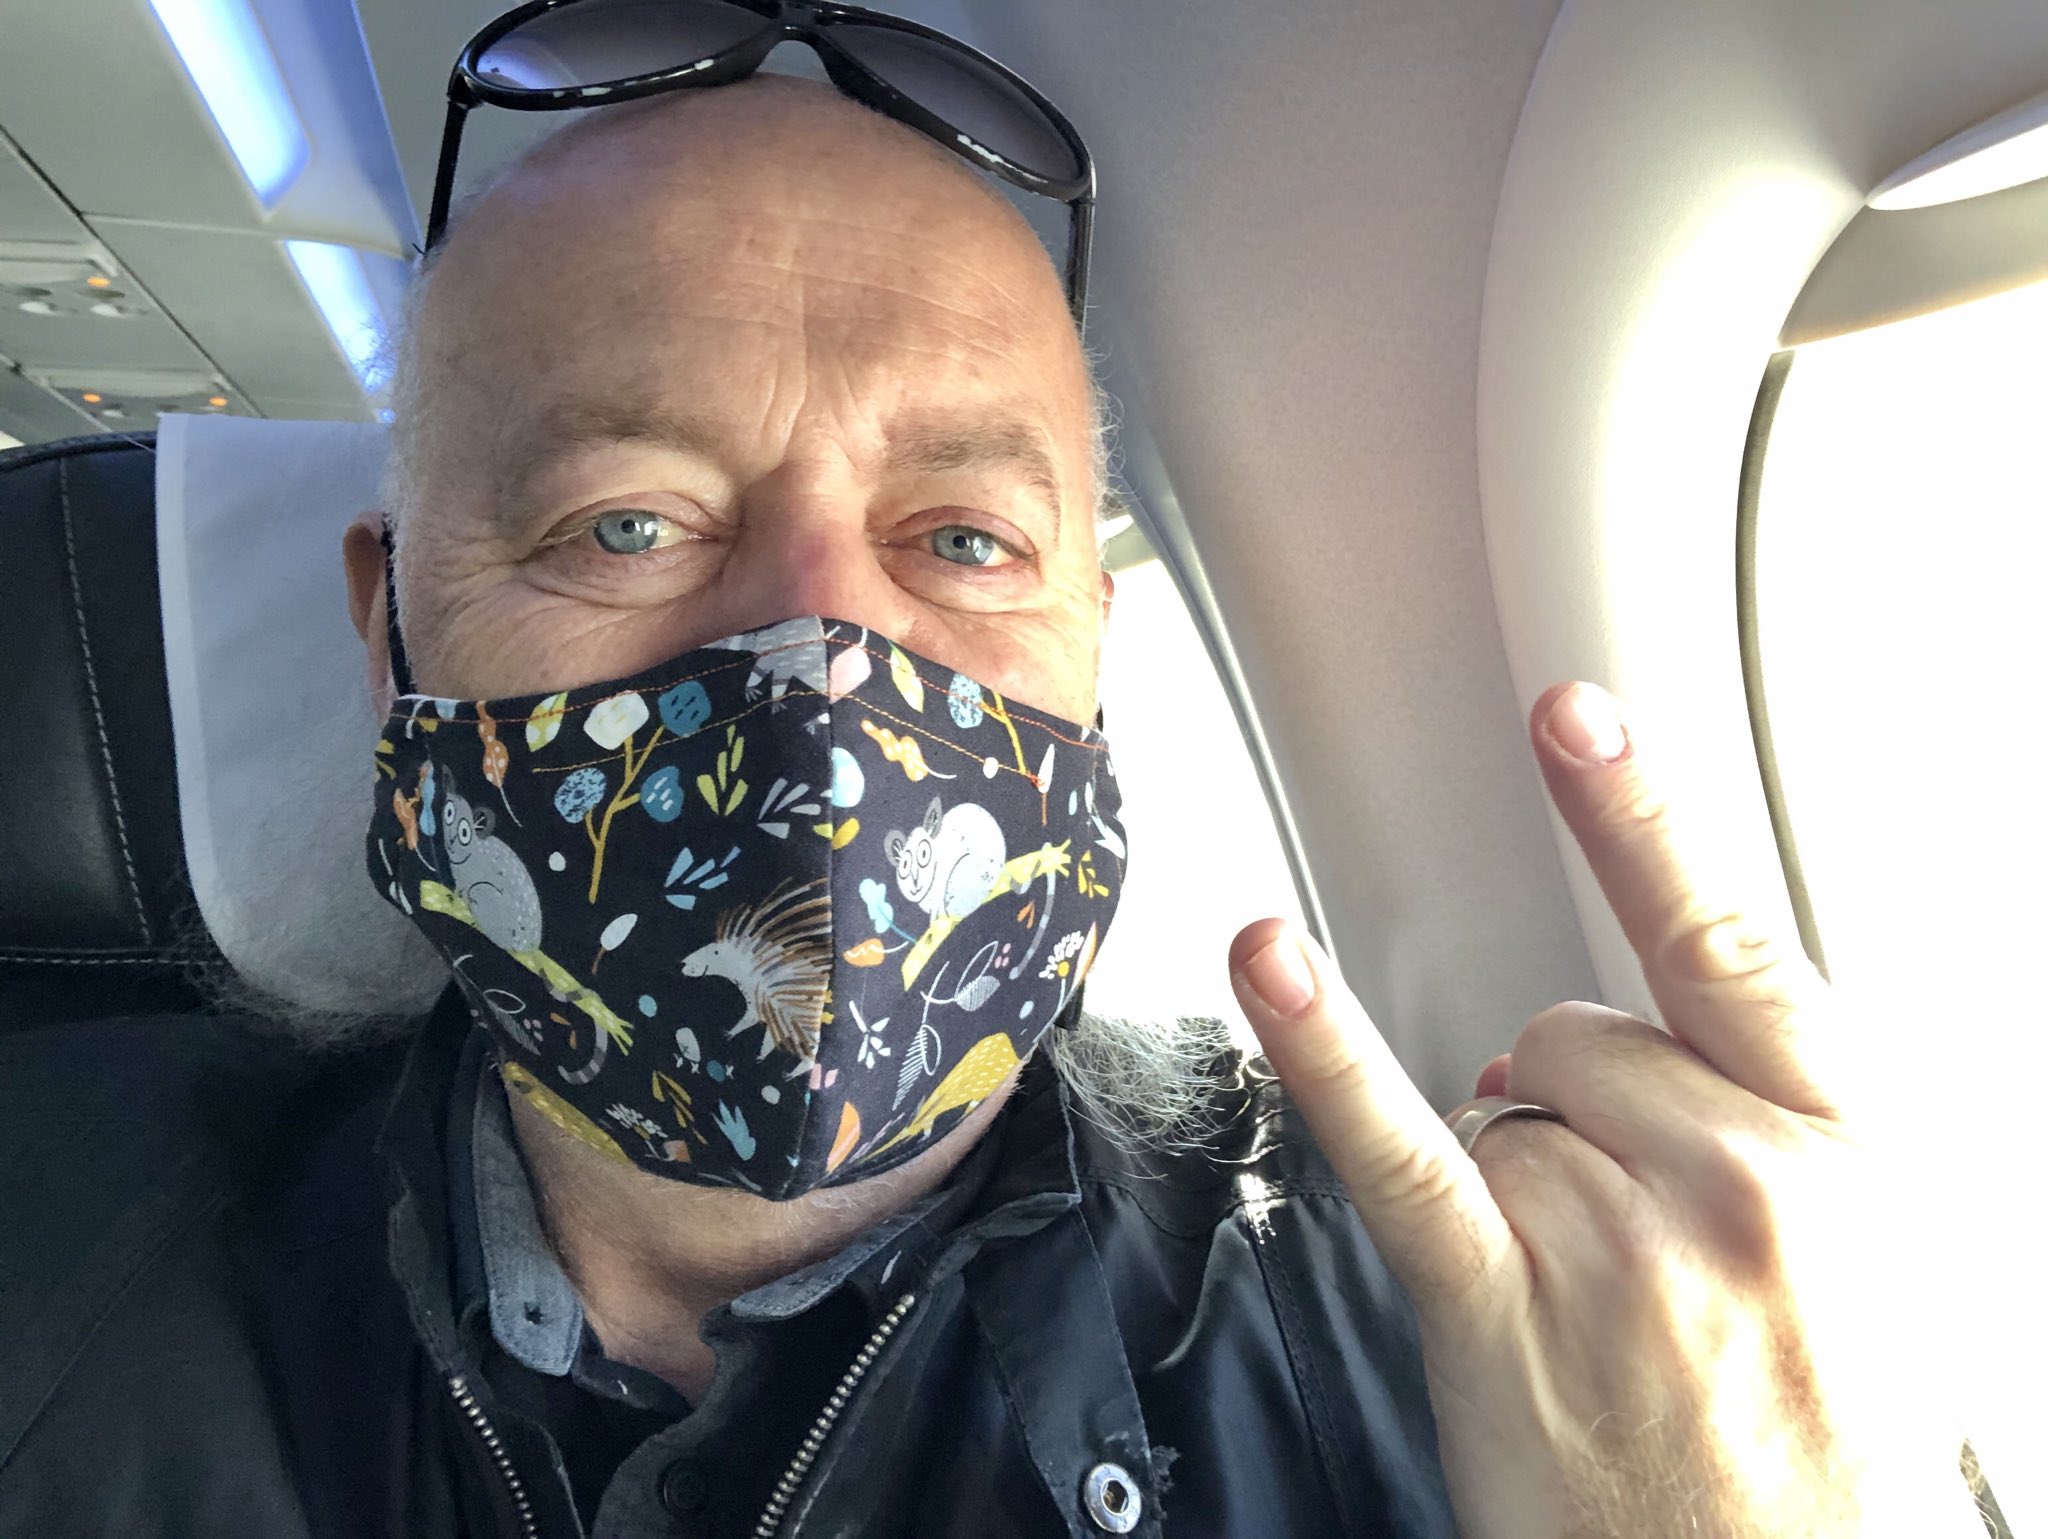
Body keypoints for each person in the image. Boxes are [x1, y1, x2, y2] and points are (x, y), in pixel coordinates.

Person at [0, 10, 1987, 1539]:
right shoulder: (48, 1259)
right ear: (390, 639)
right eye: (628, 524)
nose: (816, 659)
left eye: (959, 540)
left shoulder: (1464, 1342)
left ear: (1094, 659)